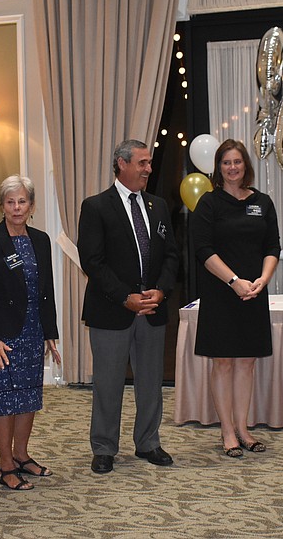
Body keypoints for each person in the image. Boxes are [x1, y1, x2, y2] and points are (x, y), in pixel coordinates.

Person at [77, 139, 179, 474]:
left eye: (149, 163)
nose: (149, 169)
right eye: (142, 163)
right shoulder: (96, 207)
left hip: (152, 309)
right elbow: (92, 261)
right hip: (112, 310)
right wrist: (126, 297)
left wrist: (160, 291)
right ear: (122, 164)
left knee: (150, 382)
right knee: (108, 383)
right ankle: (104, 447)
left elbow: (171, 255)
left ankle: (148, 442)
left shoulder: (157, 206)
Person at [188, 139, 280, 457]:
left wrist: (262, 280)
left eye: (237, 161)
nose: (232, 167)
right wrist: (233, 281)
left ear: (245, 166)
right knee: (224, 362)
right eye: (226, 162)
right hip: (221, 293)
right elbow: (203, 250)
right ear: (218, 167)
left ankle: (243, 428)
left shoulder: (262, 202)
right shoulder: (209, 203)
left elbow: (272, 246)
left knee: (246, 362)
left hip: (253, 292)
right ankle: (227, 431)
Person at [0, 175, 61, 491]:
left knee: (28, 397)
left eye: (22, 201)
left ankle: (21, 456)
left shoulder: (41, 240)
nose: (16, 207)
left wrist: (50, 333)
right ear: (2, 206)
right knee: (5, 401)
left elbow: (46, 290)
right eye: (10, 202)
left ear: (31, 205)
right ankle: (6, 464)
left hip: (32, 331)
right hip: (2, 336)